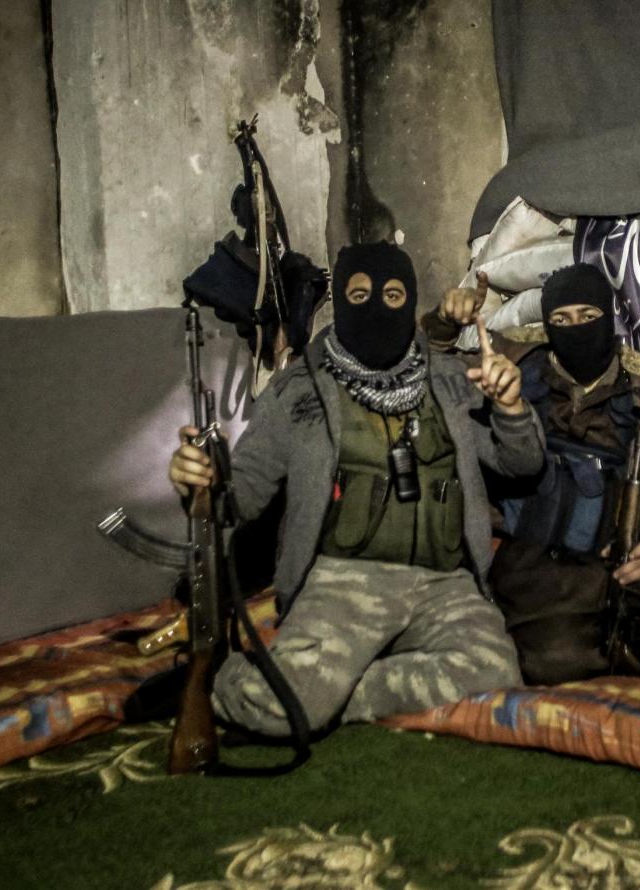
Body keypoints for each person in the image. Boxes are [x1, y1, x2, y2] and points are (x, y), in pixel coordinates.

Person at [168, 242, 544, 737]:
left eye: (393, 296)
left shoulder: (451, 379)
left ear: (410, 302)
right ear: (342, 302)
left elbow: (522, 463)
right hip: (343, 583)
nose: (377, 308)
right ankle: (244, 683)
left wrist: (511, 408)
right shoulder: (296, 389)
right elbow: (243, 495)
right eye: (360, 295)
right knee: (277, 711)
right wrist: (201, 479)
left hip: (444, 583)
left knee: (496, 671)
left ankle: (332, 694)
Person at [428, 263, 640, 684]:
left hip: (618, 560)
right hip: (536, 561)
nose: (577, 328)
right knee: (553, 659)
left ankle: (612, 647)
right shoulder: (512, 364)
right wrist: (445, 322)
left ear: (608, 317)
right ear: (548, 325)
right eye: (562, 319)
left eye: (588, 316)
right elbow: (429, 362)